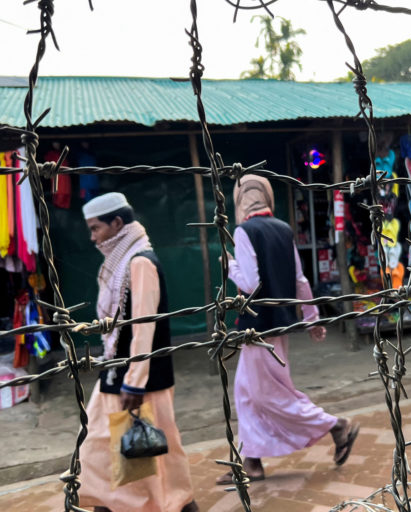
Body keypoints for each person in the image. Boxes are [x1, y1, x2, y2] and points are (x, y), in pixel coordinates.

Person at [216, 175, 360, 485]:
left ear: (239, 200)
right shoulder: (283, 229)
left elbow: (251, 284)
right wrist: (312, 317)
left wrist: (229, 266)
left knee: (269, 396)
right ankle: (251, 462)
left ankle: (336, 425)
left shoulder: (243, 231)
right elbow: (300, 279)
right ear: (267, 197)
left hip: (258, 329)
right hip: (278, 325)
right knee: (246, 394)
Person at [78, 192, 198, 512]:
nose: (93, 238)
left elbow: (144, 326)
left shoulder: (140, 262)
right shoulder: (121, 263)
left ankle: (173, 503)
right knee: (102, 444)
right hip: (117, 370)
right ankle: (171, 503)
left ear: (117, 223)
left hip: (137, 378)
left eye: (96, 229)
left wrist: (135, 381)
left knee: (148, 449)